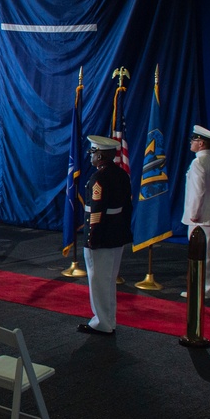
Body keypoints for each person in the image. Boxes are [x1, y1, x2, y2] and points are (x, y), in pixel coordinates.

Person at [78, 135, 133, 336]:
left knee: (99, 280)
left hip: (102, 235)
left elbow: (97, 210)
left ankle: (102, 322)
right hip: (116, 233)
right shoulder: (121, 174)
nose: (90, 156)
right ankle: (109, 320)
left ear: (100, 155)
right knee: (108, 280)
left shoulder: (99, 178)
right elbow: (127, 206)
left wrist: (92, 237)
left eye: (92, 153)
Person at [182, 125, 210, 298]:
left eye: (194, 140)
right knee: (209, 255)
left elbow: (198, 191)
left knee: (199, 255)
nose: (191, 142)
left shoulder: (198, 163)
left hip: (200, 215)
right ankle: (209, 288)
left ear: (201, 143)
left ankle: (200, 290)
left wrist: (194, 215)